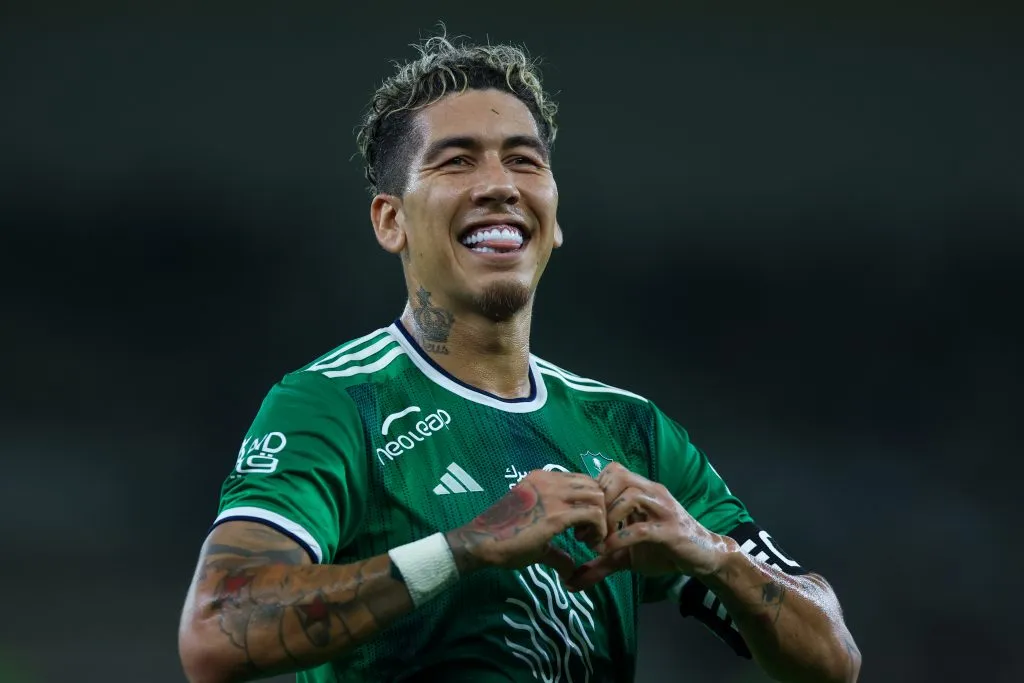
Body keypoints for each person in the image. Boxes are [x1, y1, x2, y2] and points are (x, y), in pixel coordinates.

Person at [178, 33, 861, 683]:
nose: (499, 183)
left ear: (554, 217)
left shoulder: (630, 430)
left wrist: (712, 556)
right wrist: (467, 545)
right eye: (456, 160)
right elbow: (216, 629)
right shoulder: (336, 403)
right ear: (391, 220)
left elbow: (834, 660)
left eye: (524, 160)